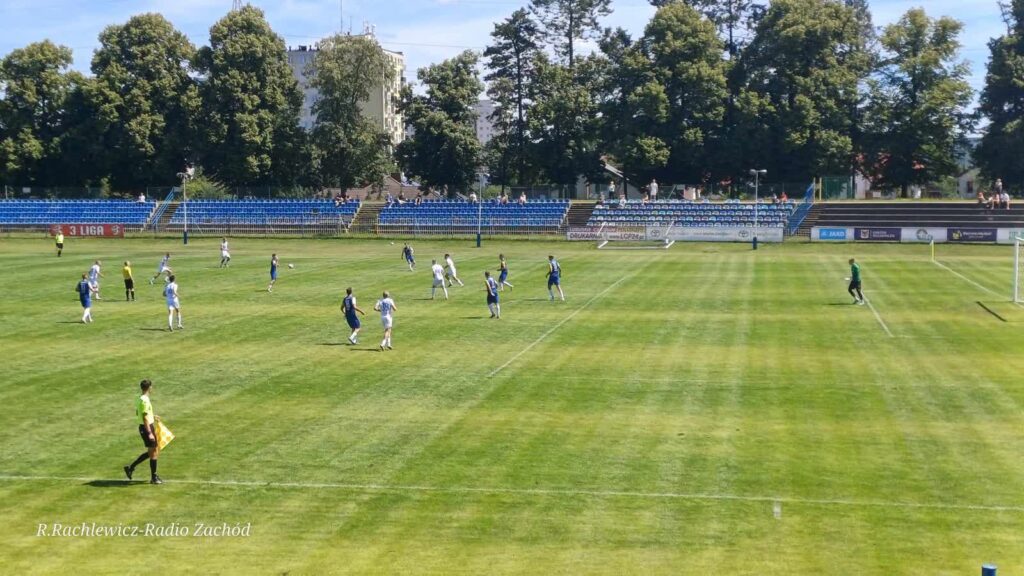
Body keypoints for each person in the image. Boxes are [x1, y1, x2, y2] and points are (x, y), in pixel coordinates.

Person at [124, 379, 163, 484]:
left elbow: (139, 413)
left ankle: (131, 468)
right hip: (147, 427)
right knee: (154, 451)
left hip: (145, 426)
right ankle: (153, 477)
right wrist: (149, 432)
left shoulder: (140, 399)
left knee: (152, 451)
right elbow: (144, 416)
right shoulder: (145, 400)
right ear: (149, 388)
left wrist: (153, 416)